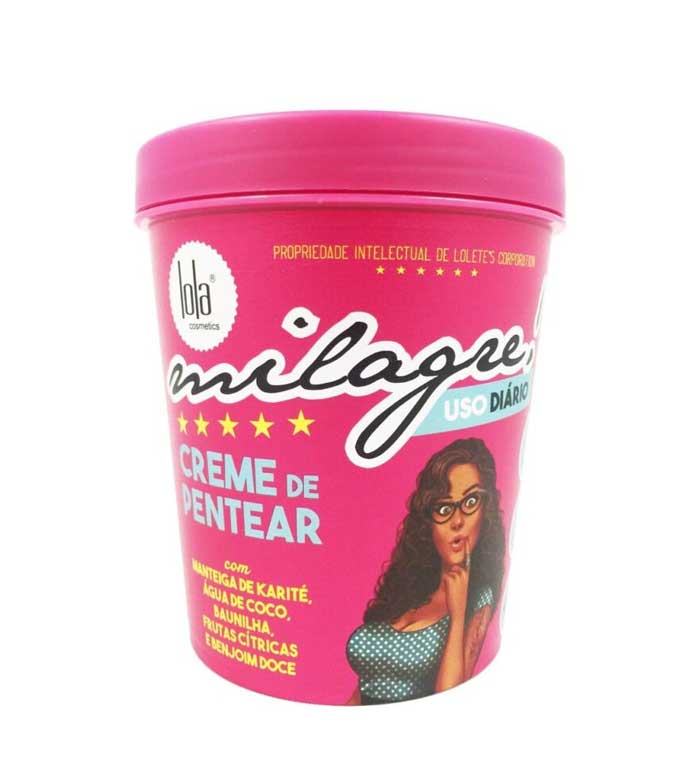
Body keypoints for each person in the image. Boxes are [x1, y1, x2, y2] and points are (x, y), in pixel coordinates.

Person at [345, 437, 505, 705]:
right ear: (428, 522)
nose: (457, 521)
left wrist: (457, 615)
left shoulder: (478, 596)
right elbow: (363, 689)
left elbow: (451, 694)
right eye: (444, 508)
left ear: (485, 510)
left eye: (470, 502)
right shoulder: (409, 589)